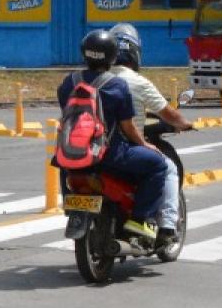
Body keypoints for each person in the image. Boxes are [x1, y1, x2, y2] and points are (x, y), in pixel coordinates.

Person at [58, 30, 174, 240]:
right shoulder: (116, 85)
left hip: (74, 151)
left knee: (63, 164)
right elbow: (128, 127)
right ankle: (140, 220)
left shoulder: (69, 82)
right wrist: (145, 145)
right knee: (158, 164)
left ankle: (71, 206)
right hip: (109, 154)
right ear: (112, 56)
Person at [107, 23, 191, 244]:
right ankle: (164, 225)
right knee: (166, 167)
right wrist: (185, 124)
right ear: (135, 53)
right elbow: (167, 114)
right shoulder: (137, 82)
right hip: (124, 148)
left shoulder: (97, 79)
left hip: (94, 147)